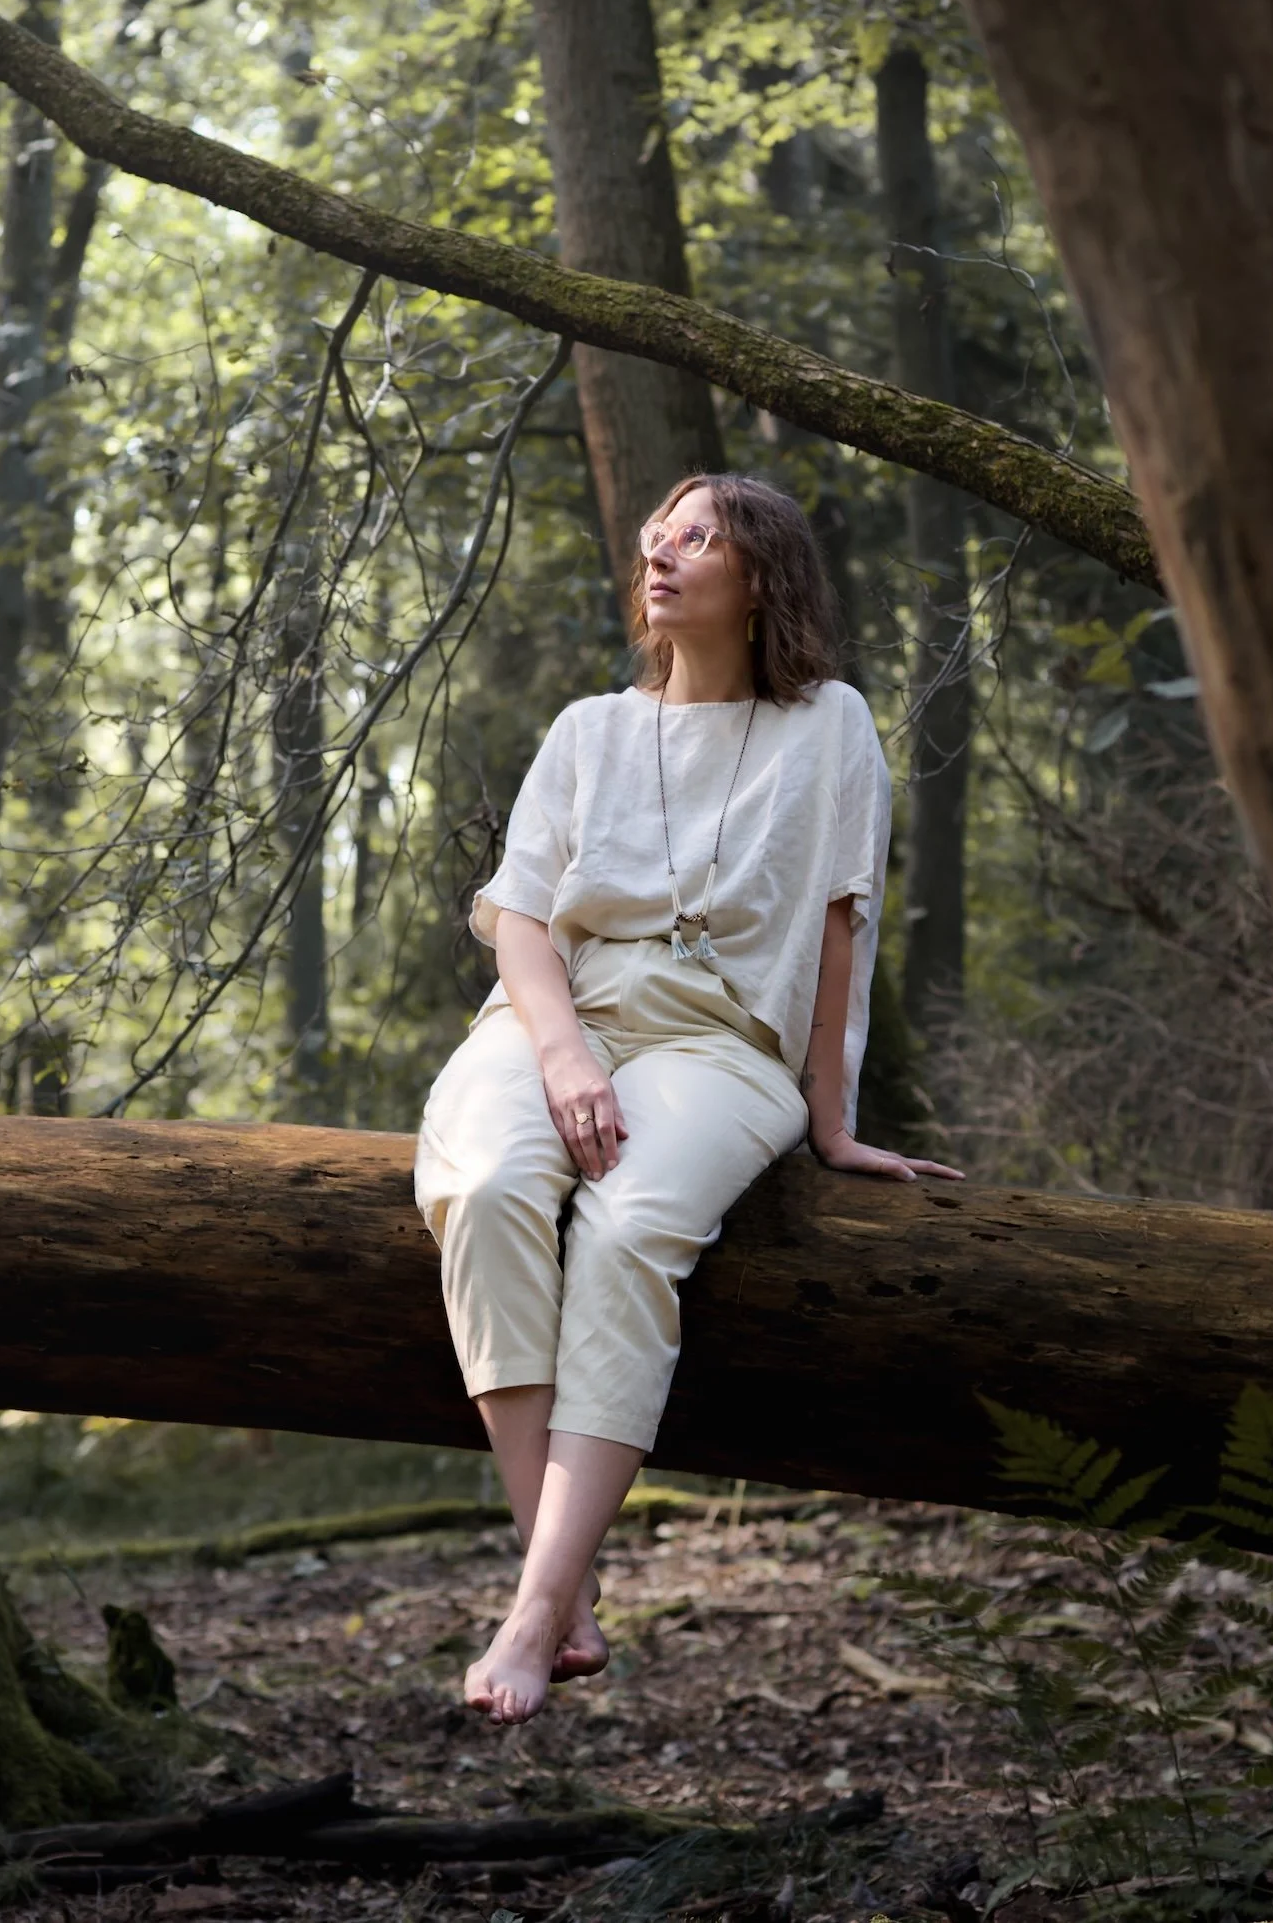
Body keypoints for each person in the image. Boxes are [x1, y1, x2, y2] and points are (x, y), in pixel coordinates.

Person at [414, 473, 963, 1727]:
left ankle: (530, 1609)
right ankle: (565, 1592)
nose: (662, 552)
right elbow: (519, 921)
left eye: (699, 536)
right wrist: (560, 1056)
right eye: (659, 533)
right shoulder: (588, 730)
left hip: (719, 1042)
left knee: (623, 1225)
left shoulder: (830, 728)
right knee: (488, 1185)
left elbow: (837, 939)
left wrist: (829, 1119)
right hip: (556, 1012)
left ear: (761, 576)